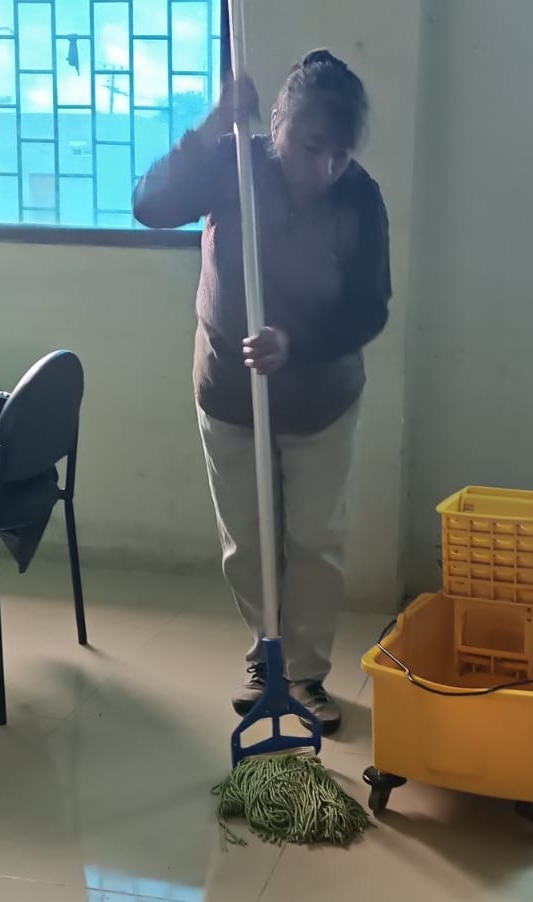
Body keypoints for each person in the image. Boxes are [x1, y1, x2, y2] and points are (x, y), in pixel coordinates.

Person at [133, 49, 391, 733]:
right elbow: (150, 205)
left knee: (313, 539)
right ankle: (266, 658)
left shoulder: (359, 197)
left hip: (322, 397)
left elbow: (370, 307)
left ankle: (304, 674)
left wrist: (294, 343)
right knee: (247, 541)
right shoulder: (233, 165)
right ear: (277, 125)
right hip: (229, 390)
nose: (325, 167)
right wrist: (214, 120)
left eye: (340, 153)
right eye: (311, 147)